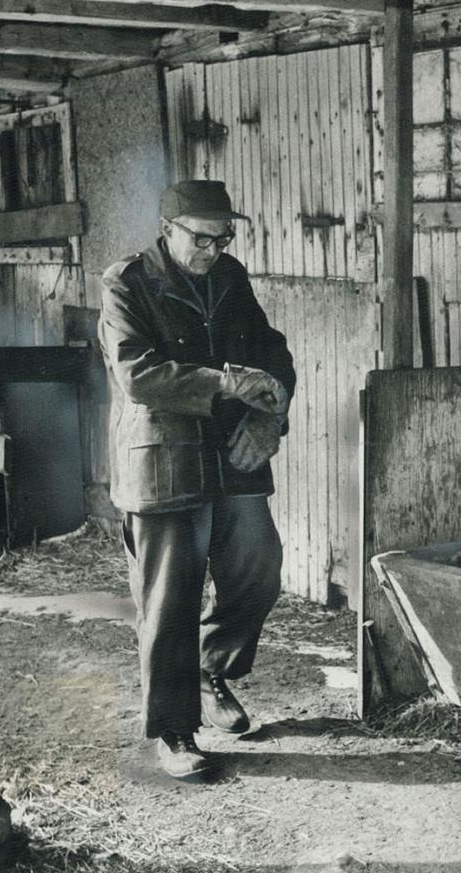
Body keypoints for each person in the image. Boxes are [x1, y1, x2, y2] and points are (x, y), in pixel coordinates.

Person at [97, 179, 296, 780]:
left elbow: (273, 352)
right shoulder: (126, 283)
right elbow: (139, 374)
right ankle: (175, 730)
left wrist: (272, 414)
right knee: (168, 599)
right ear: (168, 229)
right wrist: (231, 384)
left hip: (234, 457)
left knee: (258, 572)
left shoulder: (231, 279)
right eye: (200, 238)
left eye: (222, 238)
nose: (212, 250)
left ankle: (212, 670)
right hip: (162, 461)